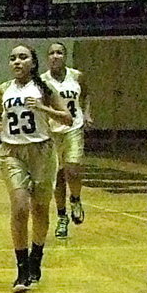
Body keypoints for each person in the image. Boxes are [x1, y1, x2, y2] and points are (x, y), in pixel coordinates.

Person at [0, 45, 73, 293]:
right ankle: (22, 268)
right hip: (12, 152)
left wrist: (42, 108)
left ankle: (37, 255)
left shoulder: (45, 89)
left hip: (42, 152)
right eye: (13, 57)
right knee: (19, 207)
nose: (17, 61)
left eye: (23, 57)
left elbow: (67, 118)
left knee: (39, 208)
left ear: (33, 63)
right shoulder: (2, 90)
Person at [41, 43, 90, 238]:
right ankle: (62, 217)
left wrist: (86, 113)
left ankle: (76, 199)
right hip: (52, 132)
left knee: (73, 168)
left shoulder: (77, 76)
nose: (55, 56)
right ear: (47, 58)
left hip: (73, 127)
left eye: (59, 53)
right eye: (51, 53)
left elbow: (86, 96)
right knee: (58, 178)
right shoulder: (42, 81)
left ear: (65, 56)